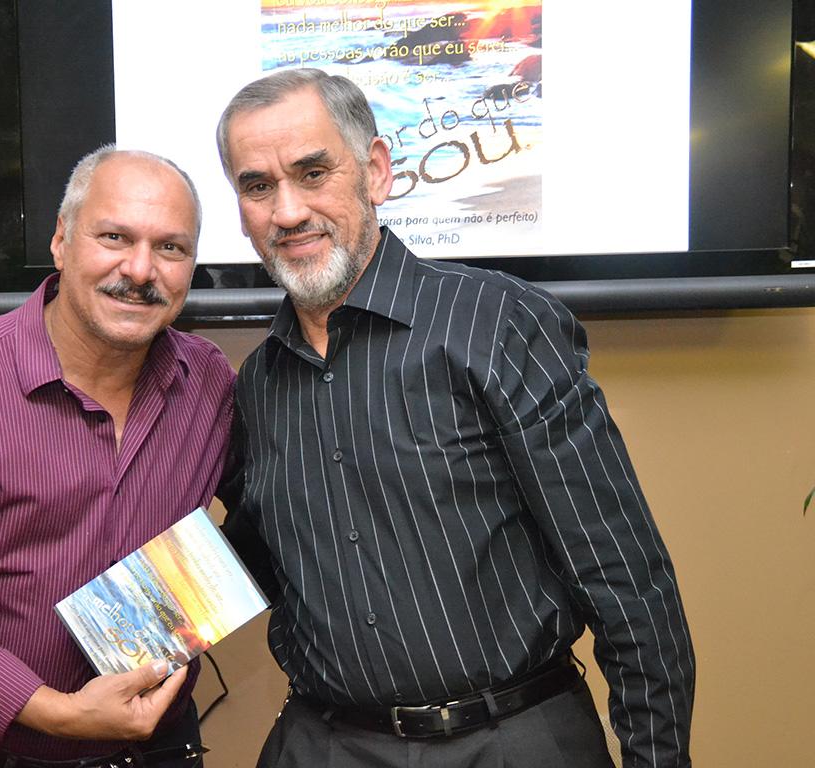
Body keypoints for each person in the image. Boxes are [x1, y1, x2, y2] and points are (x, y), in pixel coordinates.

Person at [216, 69, 695, 768]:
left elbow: (624, 576)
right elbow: (249, 559)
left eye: (313, 173)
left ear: (376, 171)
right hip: (324, 741)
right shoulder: (258, 382)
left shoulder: (498, 323)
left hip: (510, 740)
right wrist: (93, 652)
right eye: (258, 186)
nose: (287, 211)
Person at [0, 147, 236, 768]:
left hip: (162, 749)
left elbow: (278, 518)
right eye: (114, 237)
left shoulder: (209, 382)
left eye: (170, 247)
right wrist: (57, 712)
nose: (141, 270)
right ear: (60, 240)